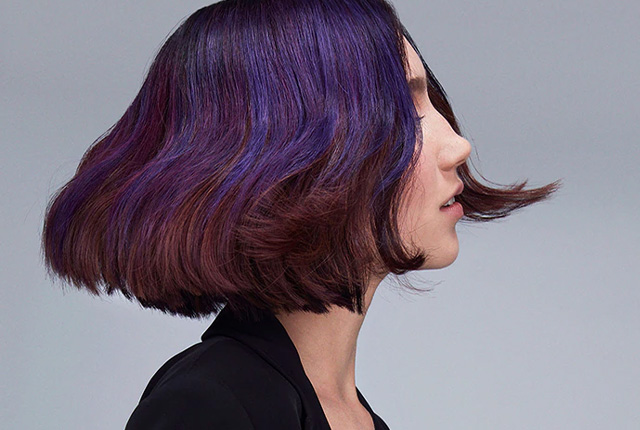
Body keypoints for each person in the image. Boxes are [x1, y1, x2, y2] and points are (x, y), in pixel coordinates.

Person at [40, 0, 562, 428]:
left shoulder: (348, 415)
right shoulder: (210, 407)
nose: (458, 145)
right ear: (296, 159)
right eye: (406, 110)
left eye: (429, 104)